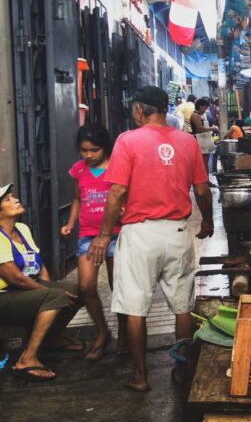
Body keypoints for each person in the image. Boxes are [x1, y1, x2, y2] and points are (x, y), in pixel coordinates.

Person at [90, 86, 214, 392]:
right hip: (177, 232)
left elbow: (117, 191)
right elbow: (201, 189)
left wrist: (104, 235)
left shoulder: (127, 140)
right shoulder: (187, 142)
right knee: (182, 304)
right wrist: (208, 219)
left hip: (140, 233)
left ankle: (140, 376)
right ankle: (183, 370)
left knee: (135, 306)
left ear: (138, 109)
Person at [0, 184, 84, 382]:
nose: (15, 200)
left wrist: (50, 288)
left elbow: (40, 264)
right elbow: (15, 278)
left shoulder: (21, 229)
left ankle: (51, 338)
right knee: (56, 296)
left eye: (13, 196)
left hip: (24, 288)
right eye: (8, 199)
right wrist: (50, 294)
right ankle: (27, 358)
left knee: (77, 290)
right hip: (6, 295)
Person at [59, 124, 127, 360]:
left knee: (117, 287)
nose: (88, 155)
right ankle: (101, 332)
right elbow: (77, 199)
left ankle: (125, 334)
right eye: (84, 150)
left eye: (94, 150)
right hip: (88, 235)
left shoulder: (118, 166)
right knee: (86, 287)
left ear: (105, 148)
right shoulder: (78, 170)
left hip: (117, 234)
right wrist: (70, 223)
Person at [190, 97, 219, 172]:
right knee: (203, 163)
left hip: (204, 141)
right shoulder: (195, 115)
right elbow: (200, 129)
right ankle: (205, 181)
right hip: (200, 141)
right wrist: (212, 129)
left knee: (205, 162)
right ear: (200, 106)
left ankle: (207, 180)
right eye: (205, 108)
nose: (206, 110)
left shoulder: (201, 115)